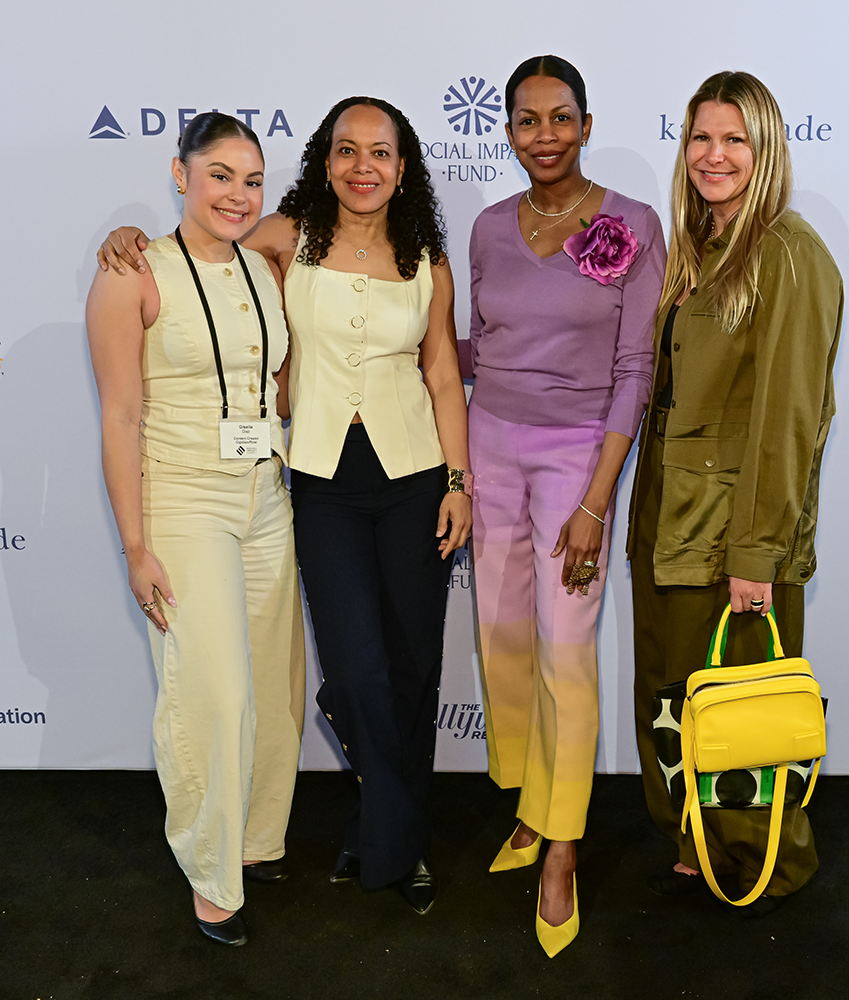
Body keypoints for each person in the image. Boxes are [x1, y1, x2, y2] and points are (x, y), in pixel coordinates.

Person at [100, 97, 471, 915]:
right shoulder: (285, 235)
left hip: (415, 477)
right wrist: (126, 242)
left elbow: (444, 374)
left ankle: (392, 838)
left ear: (403, 167)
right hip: (320, 479)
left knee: (411, 669)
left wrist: (459, 483)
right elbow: (199, 254)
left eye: (380, 153)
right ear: (325, 160)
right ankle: (382, 825)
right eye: (347, 150)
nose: (363, 166)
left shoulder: (428, 259)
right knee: (354, 672)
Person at [86, 112, 306, 947]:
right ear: (178, 173)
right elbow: (118, 415)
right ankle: (210, 876)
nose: (238, 194)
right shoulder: (130, 272)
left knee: (276, 687)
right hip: (182, 499)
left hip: (265, 494)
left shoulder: (266, 260)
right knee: (214, 690)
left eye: (252, 179)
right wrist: (136, 546)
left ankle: (250, 841)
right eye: (219, 175)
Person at [627, 70, 843, 914]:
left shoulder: (789, 254)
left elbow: (790, 418)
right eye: (700, 138)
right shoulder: (701, 249)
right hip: (671, 527)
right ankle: (702, 846)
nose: (713, 156)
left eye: (734, 140)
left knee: (743, 716)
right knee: (688, 706)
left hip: (731, 539)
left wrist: (756, 552)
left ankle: (761, 865)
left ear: (766, 150)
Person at [468, 55, 665, 956]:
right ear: (506, 130)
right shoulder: (485, 228)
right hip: (488, 446)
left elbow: (635, 368)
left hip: (576, 460)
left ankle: (561, 849)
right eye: (525, 120)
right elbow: (483, 345)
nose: (542, 135)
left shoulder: (632, 224)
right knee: (504, 640)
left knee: (567, 649)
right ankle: (529, 803)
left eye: (559, 118)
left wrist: (597, 501)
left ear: (585, 124)